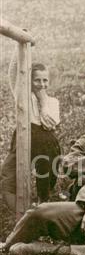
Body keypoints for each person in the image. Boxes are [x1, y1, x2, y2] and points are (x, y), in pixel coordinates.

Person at [0, 51, 61, 210]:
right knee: (7, 175)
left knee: (46, 176)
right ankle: (20, 211)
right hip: (23, 136)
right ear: (29, 81)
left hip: (45, 141)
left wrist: (42, 101)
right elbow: (13, 73)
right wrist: (21, 48)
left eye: (45, 80)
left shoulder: (53, 102)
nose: (42, 84)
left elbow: (50, 124)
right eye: (37, 80)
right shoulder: (23, 96)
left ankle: (42, 204)